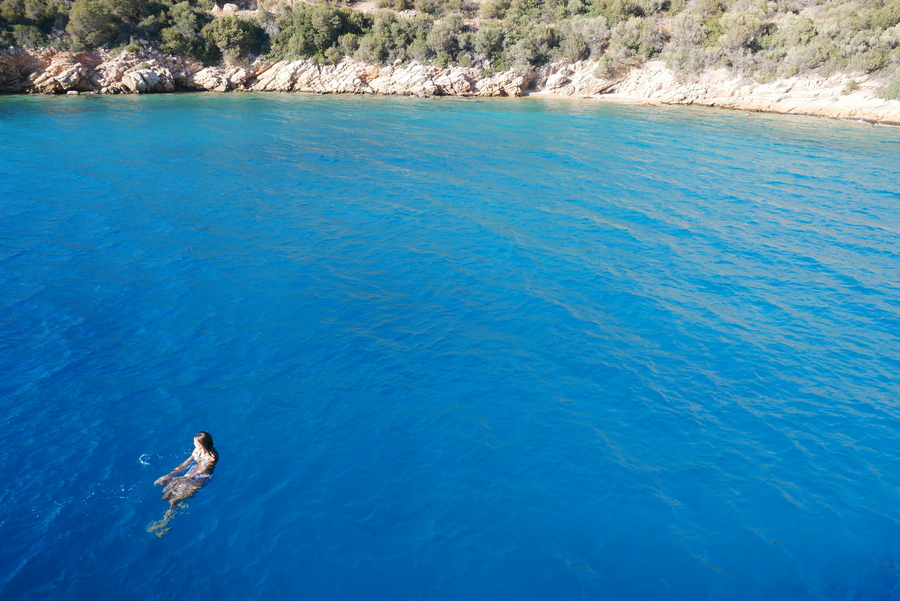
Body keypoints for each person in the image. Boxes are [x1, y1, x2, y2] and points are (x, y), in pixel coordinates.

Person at [147, 431, 218, 536]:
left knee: (176, 500)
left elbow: (202, 471)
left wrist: (180, 478)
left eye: (195, 443)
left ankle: (164, 523)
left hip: (201, 479)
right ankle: (165, 519)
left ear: (202, 444)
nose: (194, 444)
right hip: (192, 473)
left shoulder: (213, 456)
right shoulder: (197, 450)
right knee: (168, 491)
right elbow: (185, 464)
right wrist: (171, 475)